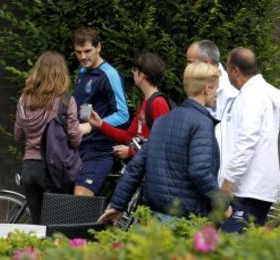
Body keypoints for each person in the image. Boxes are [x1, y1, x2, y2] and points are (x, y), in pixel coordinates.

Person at [98, 63, 230, 225]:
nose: (217, 94)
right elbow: (199, 171)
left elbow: (136, 166)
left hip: (150, 218)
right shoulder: (202, 123)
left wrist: (118, 205)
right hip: (182, 220)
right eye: (216, 88)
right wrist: (222, 202)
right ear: (208, 88)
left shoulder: (162, 121)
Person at [219, 47, 280, 233]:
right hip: (254, 186)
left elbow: (247, 141)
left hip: (249, 187)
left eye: (228, 68)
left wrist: (227, 182)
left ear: (235, 70)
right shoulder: (261, 92)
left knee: (230, 243)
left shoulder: (252, 96)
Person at [14, 51, 82, 224]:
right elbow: (74, 138)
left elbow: (18, 135)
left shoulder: (24, 99)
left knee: (37, 227)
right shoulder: (66, 100)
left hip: (29, 168)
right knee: (58, 227)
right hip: (55, 171)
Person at [72, 27, 129, 196]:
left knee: (80, 198)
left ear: (99, 47)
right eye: (78, 52)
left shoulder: (109, 74)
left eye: (87, 51)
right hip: (78, 149)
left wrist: (91, 126)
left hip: (99, 151)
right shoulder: (83, 73)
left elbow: (123, 114)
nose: (83, 56)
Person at [88, 52, 170, 159]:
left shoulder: (158, 103)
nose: (133, 73)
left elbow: (163, 144)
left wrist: (131, 152)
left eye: (135, 70)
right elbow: (129, 136)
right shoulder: (146, 102)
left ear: (142, 75)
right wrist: (100, 124)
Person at [186, 40, 239, 120]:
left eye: (190, 62)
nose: (187, 67)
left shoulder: (230, 94)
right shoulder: (196, 84)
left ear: (206, 62)